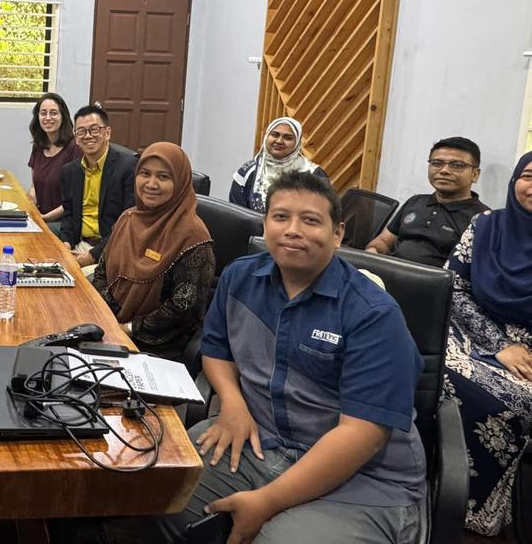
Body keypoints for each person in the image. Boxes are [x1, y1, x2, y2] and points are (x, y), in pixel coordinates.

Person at [74, 172, 426, 544]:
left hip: (362, 481)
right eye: (281, 217)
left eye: (310, 220)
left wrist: (267, 501)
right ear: (266, 223)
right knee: (145, 491)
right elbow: (216, 349)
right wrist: (233, 402)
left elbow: (362, 436)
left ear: (337, 233)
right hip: (259, 442)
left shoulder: (373, 314)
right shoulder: (241, 278)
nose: (293, 230)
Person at [442, 150, 532, 536]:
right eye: (529, 176)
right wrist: (496, 344)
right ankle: (416, 476)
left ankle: (470, 505)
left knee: (502, 401)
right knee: (421, 367)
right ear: (515, 182)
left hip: (528, 353)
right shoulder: (485, 225)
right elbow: (454, 287)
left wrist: (514, 349)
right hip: (468, 328)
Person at [91, 142, 215, 362]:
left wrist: (129, 328)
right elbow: (102, 271)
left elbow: (183, 308)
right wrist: (110, 317)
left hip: (159, 347)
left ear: (180, 182)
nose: (151, 184)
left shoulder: (194, 237)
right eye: (145, 174)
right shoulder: (127, 219)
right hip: (111, 328)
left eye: (163, 177)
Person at [366, 136, 487, 267]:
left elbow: (479, 269)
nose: (444, 170)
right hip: (387, 273)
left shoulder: (483, 219)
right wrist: (373, 250)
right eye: (437, 163)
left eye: (456, 165)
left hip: (437, 279)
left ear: (475, 174)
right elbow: (384, 241)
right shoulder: (415, 202)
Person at [59, 105, 136, 268]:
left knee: (80, 280)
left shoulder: (128, 168)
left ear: (107, 133)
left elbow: (129, 224)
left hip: (114, 249)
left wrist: (93, 255)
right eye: (81, 131)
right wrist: (65, 244)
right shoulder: (69, 171)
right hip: (79, 246)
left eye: (94, 130)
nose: (88, 136)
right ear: (76, 138)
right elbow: (69, 215)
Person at [230, 117, 328, 213]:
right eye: (275, 135)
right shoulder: (247, 172)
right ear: (266, 137)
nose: (279, 141)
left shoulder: (314, 174)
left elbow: (323, 214)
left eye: (288, 137)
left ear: (297, 143)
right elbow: (236, 215)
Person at [27, 93, 82, 237]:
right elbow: (34, 187)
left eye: (53, 113)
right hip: (42, 217)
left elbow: (75, 199)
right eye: (43, 113)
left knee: (30, 237)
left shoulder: (74, 148)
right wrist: (30, 207)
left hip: (64, 221)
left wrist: (45, 218)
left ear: (63, 116)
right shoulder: (38, 146)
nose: (48, 118)